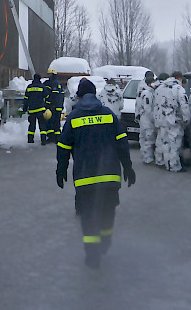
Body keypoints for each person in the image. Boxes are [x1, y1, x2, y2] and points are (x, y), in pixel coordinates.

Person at [56, 77, 137, 269]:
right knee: (108, 212)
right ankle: (105, 241)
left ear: (80, 96)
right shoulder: (109, 115)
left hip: (85, 179)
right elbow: (122, 143)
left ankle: (92, 255)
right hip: (110, 177)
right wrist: (128, 167)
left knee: (88, 217)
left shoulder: (73, 118)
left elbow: (63, 147)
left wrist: (60, 170)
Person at [153, 72, 189, 172]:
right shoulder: (178, 88)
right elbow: (184, 105)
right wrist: (186, 119)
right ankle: (174, 165)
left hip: (162, 120)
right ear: (180, 78)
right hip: (174, 120)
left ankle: (167, 163)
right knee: (175, 144)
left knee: (165, 143)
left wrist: (156, 120)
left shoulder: (159, 88)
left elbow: (155, 106)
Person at [135, 73, 157, 164]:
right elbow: (148, 108)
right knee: (148, 138)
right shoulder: (148, 93)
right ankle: (148, 158)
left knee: (143, 138)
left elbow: (137, 104)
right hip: (147, 118)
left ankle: (145, 156)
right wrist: (153, 119)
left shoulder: (141, 91)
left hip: (142, 117)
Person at [43, 70, 65, 146]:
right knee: (57, 122)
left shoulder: (52, 83)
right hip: (58, 106)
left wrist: (50, 105)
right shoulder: (59, 83)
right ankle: (58, 137)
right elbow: (62, 96)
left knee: (50, 122)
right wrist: (61, 105)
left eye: (49, 74)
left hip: (53, 107)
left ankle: (51, 137)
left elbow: (52, 96)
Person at [24, 73, 46, 144]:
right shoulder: (42, 87)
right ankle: (43, 140)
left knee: (32, 125)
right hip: (40, 109)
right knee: (42, 125)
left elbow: (26, 99)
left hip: (32, 110)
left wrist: (25, 108)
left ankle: (30, 139)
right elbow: (47, 96)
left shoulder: (29, 87)